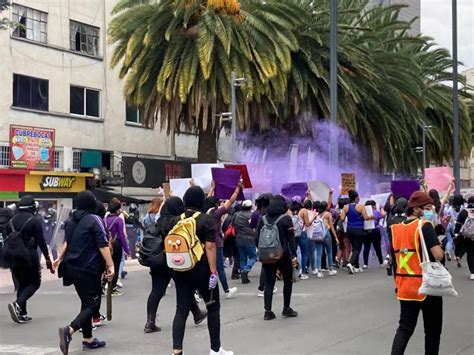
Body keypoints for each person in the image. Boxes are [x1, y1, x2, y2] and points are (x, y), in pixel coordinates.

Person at [172, 186, 233, 355]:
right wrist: (213, 272)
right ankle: (215, 349)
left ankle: (177, 349)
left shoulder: (177, 219)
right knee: (213, 307)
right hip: (203, 270)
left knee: (181, 309)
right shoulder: (206, 220)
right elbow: (210, 247)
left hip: (181, 269)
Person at [54, 191, 115, 354]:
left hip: (71, 268)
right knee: (93, 305)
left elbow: (67, 241)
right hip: (88, 269)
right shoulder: (94, 219)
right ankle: (69, 330)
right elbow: (102, 244)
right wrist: (111, 266)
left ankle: (88, 339)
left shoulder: (70, 220)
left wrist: (59, 258)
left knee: (85, 302)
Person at [390, 191, 444, 355]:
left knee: (404, 329)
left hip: (405, 286)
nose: (430, 211)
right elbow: (438, 255)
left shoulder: (395, 229)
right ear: (416, 209)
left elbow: (395, 261)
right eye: (427, 208)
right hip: (427, 286)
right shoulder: (425, 226)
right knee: (432, 331)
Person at [143, 197, 206, 333]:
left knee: (156, 291)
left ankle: (150, 322)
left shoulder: (159, 221)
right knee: (184, 289)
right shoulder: (179, 222)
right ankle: (196, 313)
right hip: (175, 260)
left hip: (158, 260)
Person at [6, 195, 53, 324]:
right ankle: (17, 304)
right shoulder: (34, 221)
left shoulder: (11, 221)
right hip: (29, 255)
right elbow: (42, 241)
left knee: (21, 283)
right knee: (34, 283)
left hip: (14, 256)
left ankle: (22, 312)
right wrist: (48, 258)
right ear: (32, 207)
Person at [256, 195, 298, 321]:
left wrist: (263, 250)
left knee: (269, 283)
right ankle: (286, 308)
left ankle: (268, 311)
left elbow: (257, 238)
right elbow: (291, 239)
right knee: (288, 281)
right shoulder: (286, 219)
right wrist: (294, 254)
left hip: (268, 254)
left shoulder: (262, 219)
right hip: (283, 253)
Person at [205, 181, 242, 298]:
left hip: (205, 243)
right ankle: (226, 290)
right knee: (219, 268)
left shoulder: (204, 212)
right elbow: (230, 202)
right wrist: (237, 189)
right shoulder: (216, 213)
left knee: (207, 268)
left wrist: (212, 188)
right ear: (216, 204)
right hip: (216, 243)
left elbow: (207, 199)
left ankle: (200, 293)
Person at [340, 190, 373, 274]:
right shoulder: (360, 207)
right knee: (357, 249)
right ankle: (350, 263)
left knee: (354, 247)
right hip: (358, 229)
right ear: (356, 198)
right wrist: (371, 216)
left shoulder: (345, 207)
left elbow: (342, 219)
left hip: (349, 230)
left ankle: (356, 266)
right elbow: (366, 218)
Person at [105, 200, 130, 296]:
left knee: (107, 265)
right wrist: (127, 250)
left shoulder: (105, 219)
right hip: (116, 244)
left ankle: (104, 284)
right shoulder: (118, 220)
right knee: (115, 265)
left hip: (106, 244)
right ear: (117, 209)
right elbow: (122, 236)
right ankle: (112, 287)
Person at [234, 200, 257, 284]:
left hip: (239, 238)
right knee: (253, 257)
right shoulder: (253, 215)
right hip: (250, 239)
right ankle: (246, 270)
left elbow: (233, 224)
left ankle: (244, 274)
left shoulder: (236, 214)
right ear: (250, 207)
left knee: (242, 258)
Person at [314, 201, 338, 277]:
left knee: (319, 253)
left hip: (317, 235)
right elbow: (331, 226)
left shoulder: (316, 214)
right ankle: (330, 269)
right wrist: (335, 237)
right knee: (329, 251)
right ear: (326, 207)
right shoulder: (328, 214)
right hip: (326, 234)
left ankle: (319, 271)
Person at [453, 196, 474, 279]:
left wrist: (456, 232)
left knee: (470, 253)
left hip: (467, 236)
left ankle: (473, 272)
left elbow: (458, 224)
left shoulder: (464, 211)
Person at [362, 200, 386, 269]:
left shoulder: (364, 213)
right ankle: (381, 262)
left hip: (366, 231)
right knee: (377, 248)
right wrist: (381, 208)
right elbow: (383, 215)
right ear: (373, 206)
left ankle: (365, 264)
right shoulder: (376, 212)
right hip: (375, 231)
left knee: (366, 248)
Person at [445, 194, 464, 261]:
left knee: (451, 240)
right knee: (459, 242)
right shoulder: (463, 207)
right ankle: (457, 256)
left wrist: (445, 227)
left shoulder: (450, 208)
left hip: (451, 226)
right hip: (460, 227)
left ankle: (448, 251)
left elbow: (447, 218)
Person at [334, 197, 351, 268]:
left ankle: (337, 259)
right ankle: (346, 261)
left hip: (338, 231)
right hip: (344, 230)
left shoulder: (336, 211)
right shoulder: (345, 211)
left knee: (341, 247)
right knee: (347, 247)